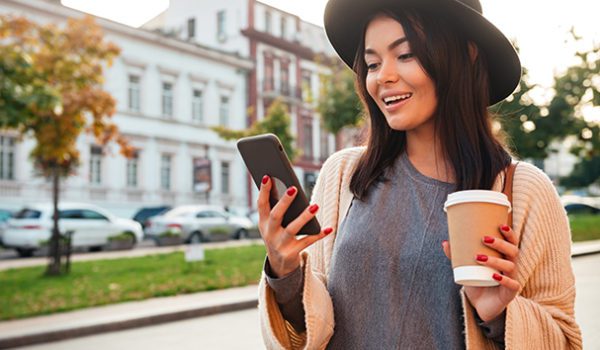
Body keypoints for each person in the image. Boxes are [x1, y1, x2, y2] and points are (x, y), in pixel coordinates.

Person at [255, 0, 582, 349]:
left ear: (467, 55)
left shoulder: (524, 192)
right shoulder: (343, 175)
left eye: (406, 54)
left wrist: (500, 315)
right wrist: (285, 272)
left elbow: (563, 339)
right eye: (372, 64)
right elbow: (311, 327)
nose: (383, 77)